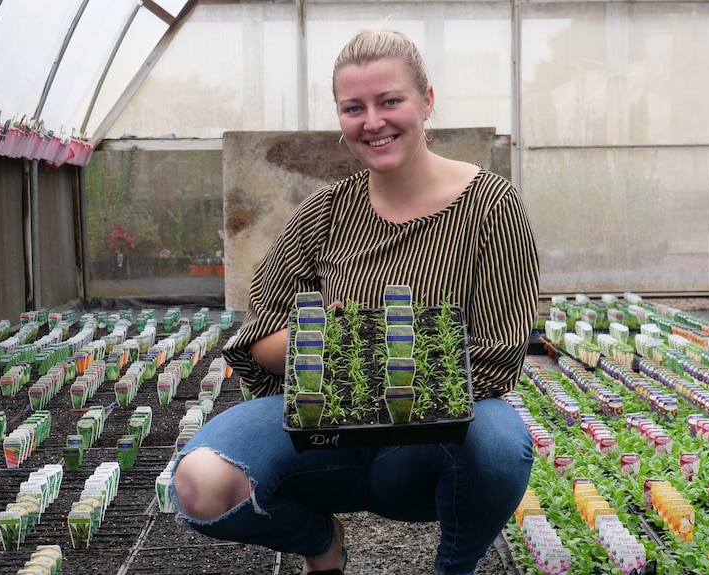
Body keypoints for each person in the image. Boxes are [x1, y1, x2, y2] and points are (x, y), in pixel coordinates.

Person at [171, 24, 540, 575]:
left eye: (390, 100)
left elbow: (498, 353)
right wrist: (315, 341)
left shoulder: (490, 206)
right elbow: (257, 336)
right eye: (354, 107)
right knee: (200, 482)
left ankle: (455, 567)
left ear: (427, 101)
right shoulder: (325, 213)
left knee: (498, 444)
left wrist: (374, 358)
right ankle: (321, 543)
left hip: (428, 440)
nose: (373, 122)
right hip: (325, 428)